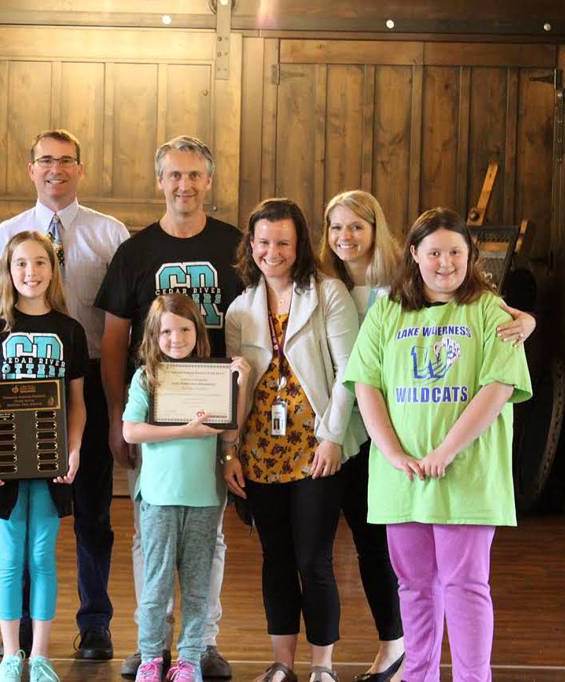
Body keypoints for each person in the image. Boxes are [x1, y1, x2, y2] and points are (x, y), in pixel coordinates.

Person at [318, 190, 538, 682]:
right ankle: (416, 674)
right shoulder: (386, 312)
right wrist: (394, 453)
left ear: (470, 256)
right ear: (414, 255)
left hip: (466, 476)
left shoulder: (490, 312)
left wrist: (445, 451)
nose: (445, 262)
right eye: (434, 252)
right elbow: (366, 384)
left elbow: (498, 389)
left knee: (466, 585)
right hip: (402, 477)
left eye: (455, 252)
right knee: (414, 586)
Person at [95, 135, 241, 678]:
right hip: (154, 423)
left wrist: (233, 431)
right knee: (151, 542)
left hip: (216, 422)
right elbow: (114, 339)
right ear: (160, 181)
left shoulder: (235, 245)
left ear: (209, 181)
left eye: (194, 175)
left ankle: (200, 646)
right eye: (174, 175)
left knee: (210, 545)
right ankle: (150, 646)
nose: (184, 185)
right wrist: (117, 416)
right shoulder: (135, 252)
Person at [0, 129, 129, 659]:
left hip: (89, 379)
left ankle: (95, 621)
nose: (56, 169)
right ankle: (25, 627)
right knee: (26, 518)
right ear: (30, 169)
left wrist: (117, 406)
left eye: (66, 161)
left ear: (81, 167)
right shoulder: (6, 233)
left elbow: (124, 320)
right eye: (45, 161)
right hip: (22, 388)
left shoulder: (109, 233)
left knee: (93, 511)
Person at [223, 198, 364, 682]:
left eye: (283, 241)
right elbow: (235, 388)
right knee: (276, 560)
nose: (272, 251)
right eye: (263, 242)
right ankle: (282, 664)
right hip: (261, 451)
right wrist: (231, 450)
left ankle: (322, 667)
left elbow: (350, 371)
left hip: (316, 451)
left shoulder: (328, 294)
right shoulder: (240, 309)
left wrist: (332, 437)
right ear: (251, 245)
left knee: (314, 560)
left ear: (300, 244)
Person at [0, 231, 88, 682]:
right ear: (8, 271)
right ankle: (11, 656)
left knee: (44, 555)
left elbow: (77, 401)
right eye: (21, 264)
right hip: (6, 463)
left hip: (52, 461)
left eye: (40, 263)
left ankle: (39, 656)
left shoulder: (69, 331)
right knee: (10, 555)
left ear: (52, 270)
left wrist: (74, 448)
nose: (30, 272)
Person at [122, 294, 250, 682]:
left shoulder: (213, 376)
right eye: (166, 331)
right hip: (159, 497)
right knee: (156, 583)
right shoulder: (147, 376)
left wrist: (240, 385)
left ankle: (190, 660)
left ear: (198, 332)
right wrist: (185, 430)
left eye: (184, 329)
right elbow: (131, 430)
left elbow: (230, 430)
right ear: (152, 336)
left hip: (204, 498)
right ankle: (150, 657)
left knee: (197, 587)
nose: (175, 338)